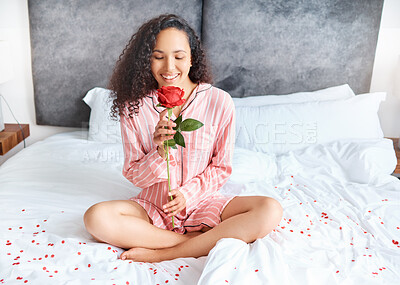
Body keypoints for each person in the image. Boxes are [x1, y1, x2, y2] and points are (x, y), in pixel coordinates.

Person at [83, 14, 282, 263]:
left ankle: (165, 253)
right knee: (95, 217)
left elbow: (221, 168)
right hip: (152, 207)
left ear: (191, 59)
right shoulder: (133, 108)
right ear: (147, 59)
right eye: (158, 57)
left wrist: (188, 194)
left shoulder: (218, 102)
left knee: (270, 209)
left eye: (178, 57)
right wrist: (159, 153)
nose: (169, 68)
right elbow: (133, 173)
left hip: (203, 203)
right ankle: (195, 242)